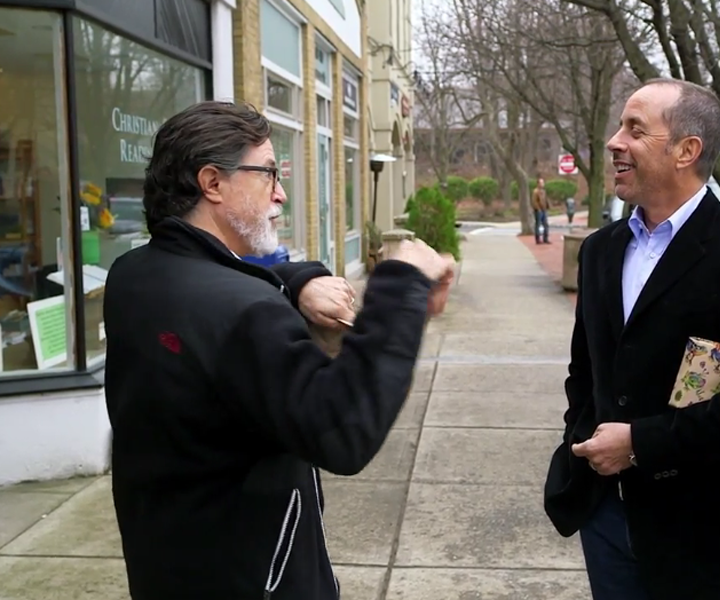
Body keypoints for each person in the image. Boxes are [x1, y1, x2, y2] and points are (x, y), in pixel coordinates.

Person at [103, 101, 455, 600]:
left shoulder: (135, 275)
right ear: (213, 183)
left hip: (167, 563)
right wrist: (400, 288)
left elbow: (223, 281)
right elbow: (343, 428)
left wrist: (300, 282)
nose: (281, 193)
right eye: (268, 174)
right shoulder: (243, 312)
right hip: (257, 580)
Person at [543, 79, 720, 600]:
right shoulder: (600, 251)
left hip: (702, 538)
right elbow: (585, 373)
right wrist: (583, 440)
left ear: (687, 150)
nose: (615, 142)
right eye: (619, 127)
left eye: (635, 129)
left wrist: (638, 444)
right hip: (606, 518)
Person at [531, 177, 550, 243]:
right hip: (539, 210)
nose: (543, 184)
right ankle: (538, 239)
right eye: (541, 182)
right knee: (538, 224)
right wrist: (538, 209)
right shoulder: (535, 191)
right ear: (538, 184)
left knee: (545, 225)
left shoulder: (543, 191)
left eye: (543, 182)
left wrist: (547, 206)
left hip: (544, 210)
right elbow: (534, 201)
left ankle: (545, 238)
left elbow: (545, 200)